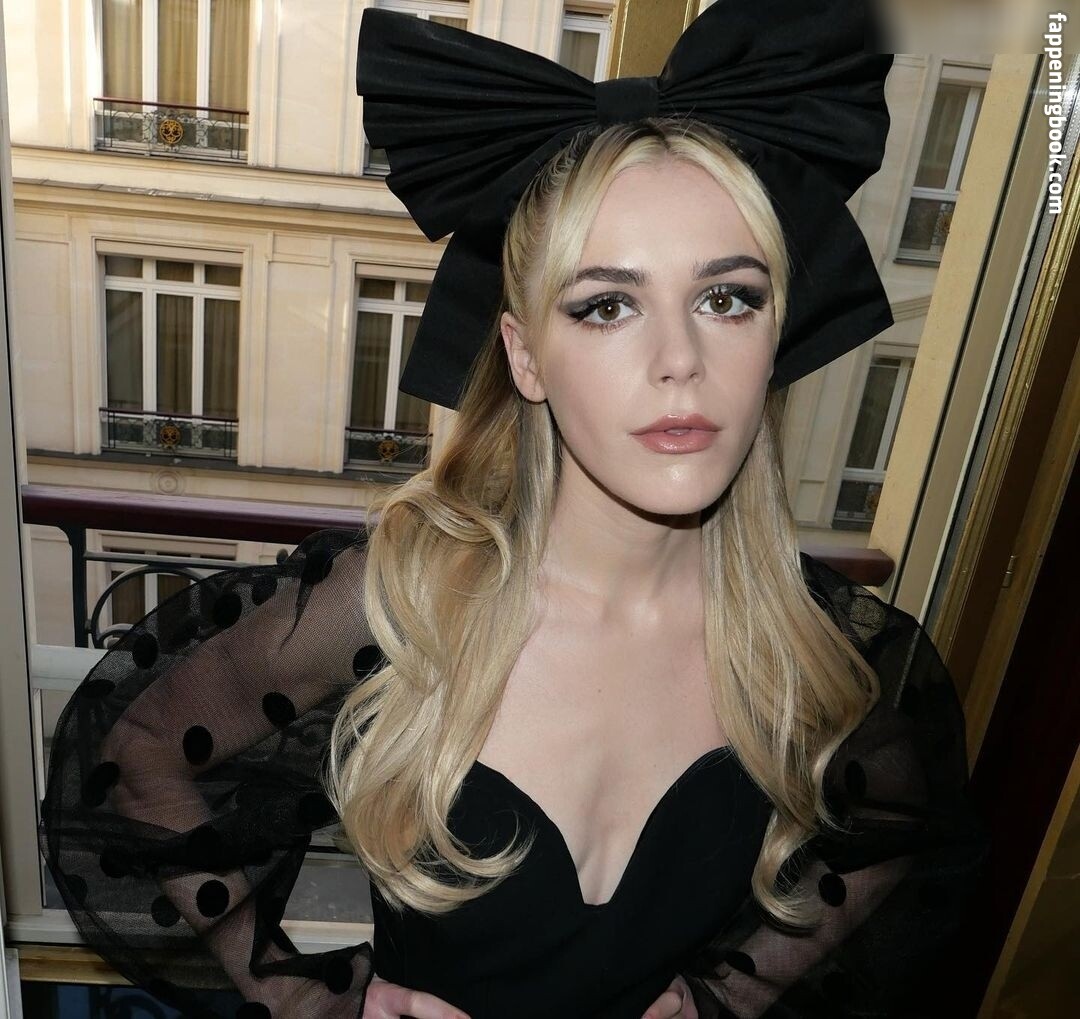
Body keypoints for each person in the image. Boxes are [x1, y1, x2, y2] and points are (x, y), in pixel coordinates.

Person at [38, 2, 990, 1018]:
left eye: (727, 298)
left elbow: (904, 819)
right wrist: (308, 1000)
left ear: (775, 332)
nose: (680, 359)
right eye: (607, 305)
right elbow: (136, 750)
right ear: (525, 355)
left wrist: (726, 992)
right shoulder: (405, 601)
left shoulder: (816, 652)